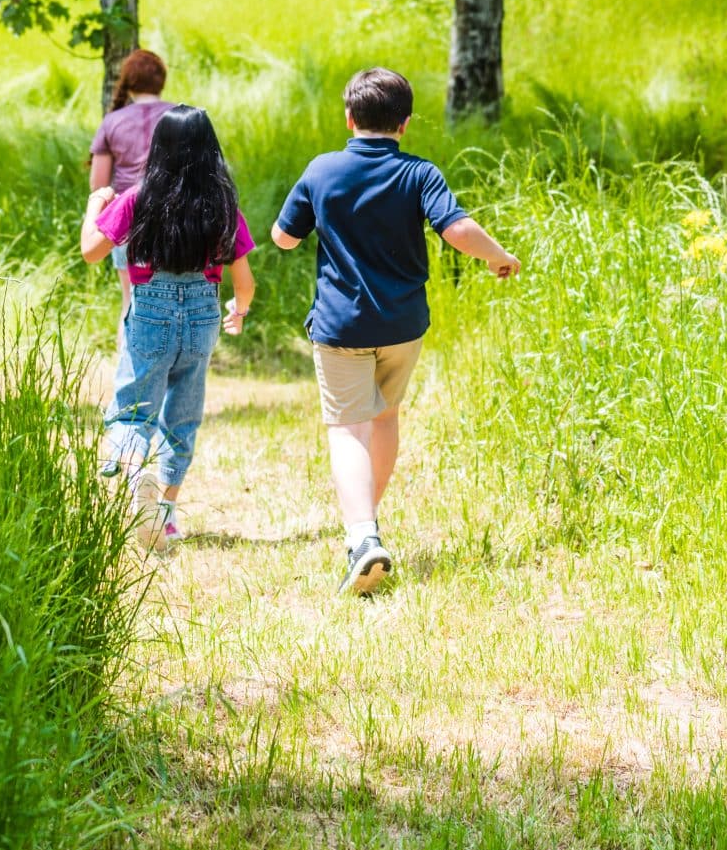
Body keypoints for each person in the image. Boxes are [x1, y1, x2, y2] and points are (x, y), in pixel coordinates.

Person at [272, 68, 521, 596]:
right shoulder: (419, 173)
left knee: (346, 428)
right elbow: (455, 229)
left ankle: (362, 536)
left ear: (349, 117)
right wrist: (499, 257)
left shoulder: (322, 170)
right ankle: (367, 527)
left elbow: (284, 240)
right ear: (404, 123)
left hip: (342, 325)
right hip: (404, 324)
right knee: (384, 417)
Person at [82, 106, 256, 551]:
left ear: (158, 150)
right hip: (202, 318)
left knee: (132, 411)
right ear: (210, 152)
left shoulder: (138, 199)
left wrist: (93, 205)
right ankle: (166, 512)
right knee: (182, 417)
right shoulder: (222, 205)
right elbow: (244, 282)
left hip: (150, 316)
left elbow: (90, 251)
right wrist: (239, 309)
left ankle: (137, 468)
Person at [90, 50, 176, 313]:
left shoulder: (112, 121)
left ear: (129, 82)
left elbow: (99, 184)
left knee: (131, 302)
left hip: (127, 220)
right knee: (173, 299)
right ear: (161, 80)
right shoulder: (180, 115)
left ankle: (126, 354)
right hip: (175, 219)